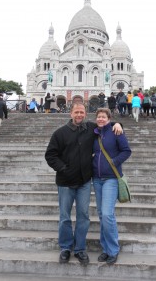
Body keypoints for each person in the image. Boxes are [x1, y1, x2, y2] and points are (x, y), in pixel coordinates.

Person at [45, 102, 122, 265]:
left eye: (82, 112)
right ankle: (65, 248)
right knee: (65, 217)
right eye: (76, 112)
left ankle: (80, 249)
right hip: (65, 181)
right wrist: (63, 168)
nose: (79, 115)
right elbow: (50, 155)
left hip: (84, 182)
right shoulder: (59, 133)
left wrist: (118, 125)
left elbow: (105, 124)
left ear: (85, 114)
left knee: (83, 216)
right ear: (70, 114)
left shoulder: (90, 129)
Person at [92, 108, 132, 265]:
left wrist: (114, 162)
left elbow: (126, 151)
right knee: (102, 215)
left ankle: (113, 250)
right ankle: (105, 248)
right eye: (99, 117)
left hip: (111, 178)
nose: (101, 119)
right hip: (96, 178)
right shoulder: (94, 133)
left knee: (108, 215)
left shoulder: (116, 131)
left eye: (104, 117)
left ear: (109, 119)